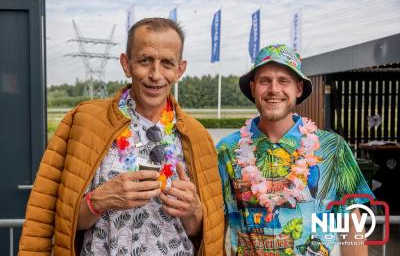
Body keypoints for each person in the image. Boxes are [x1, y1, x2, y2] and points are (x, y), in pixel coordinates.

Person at [19, 18, 224, 256]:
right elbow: (45, 218)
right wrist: (97, 202)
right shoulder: (83, 122)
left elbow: (209, 234)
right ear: (126, 64)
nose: (155, 74)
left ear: (180, 70)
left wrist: (194, 213)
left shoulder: (198, 136)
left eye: (167, 63)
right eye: (145, 60)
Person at [217, 44, 373, 256]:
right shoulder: (226, 150)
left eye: (283, 81)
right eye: (265, 81)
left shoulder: (332, 148)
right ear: (253, 88)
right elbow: (216, 225)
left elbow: (352, 223)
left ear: (298, 88)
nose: (274, 89)